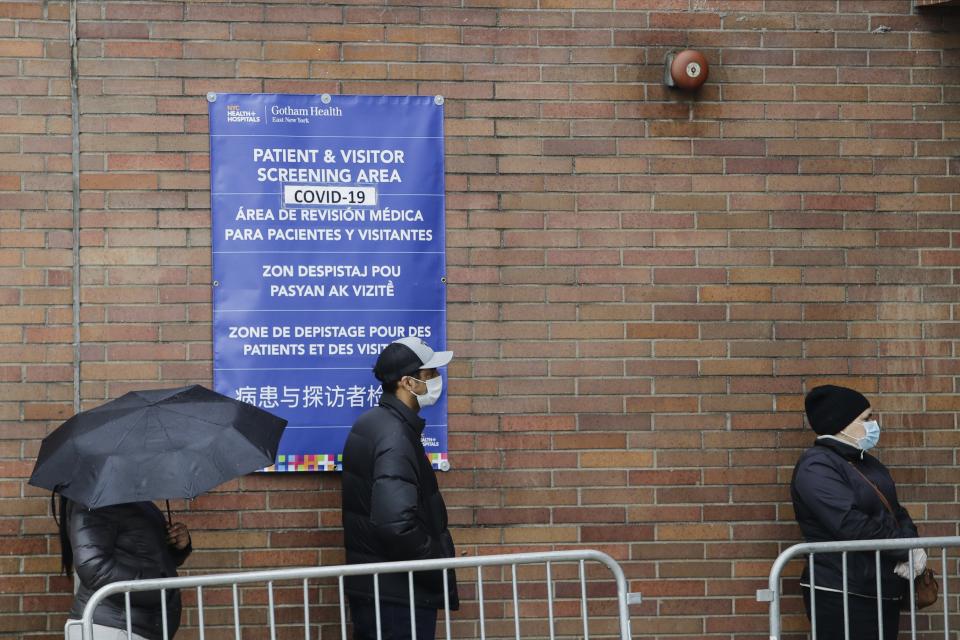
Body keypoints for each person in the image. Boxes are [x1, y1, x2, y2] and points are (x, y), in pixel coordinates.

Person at [341, 336, 459, 640]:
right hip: (400, 594)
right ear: (408, 383)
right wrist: (435, 560)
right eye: (429, 374)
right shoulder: (394, 434)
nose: (436, 380)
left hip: (381, 590)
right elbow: (396, 524)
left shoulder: (375, 424)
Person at [790, 385, 926, 640]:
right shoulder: (816, 466)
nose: (873, 424)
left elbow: (897, 512)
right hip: (841, 591)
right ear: (841, 425)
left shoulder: (868, 463)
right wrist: (904, 548)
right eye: (866, 418)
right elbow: (850, 523)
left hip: (880, 587)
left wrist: (911, 543)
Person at [59, 495, 192, 640]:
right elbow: (93, 567)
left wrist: (178, 545)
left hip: (135, 628)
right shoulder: (93, 502)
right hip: (111, 629)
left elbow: (153, 559)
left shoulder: (139, 503)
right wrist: (155, 588)